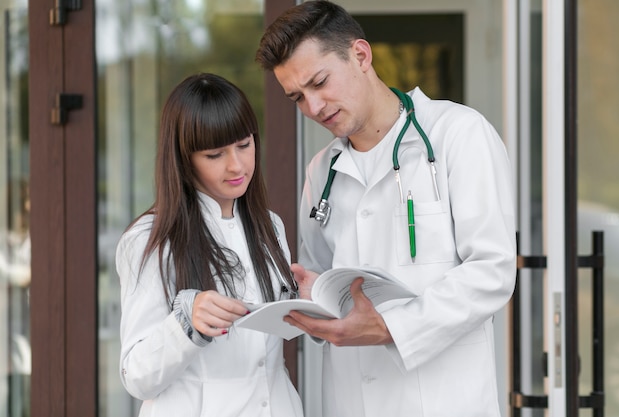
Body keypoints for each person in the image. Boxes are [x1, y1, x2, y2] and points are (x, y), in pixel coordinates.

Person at [256, 2, 517, 416]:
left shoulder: (458, 135)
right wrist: (307, 297)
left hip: (444, 400)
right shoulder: (322, 170)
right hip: (350, 401)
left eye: (320, 82)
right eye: (297, 97)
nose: (314, 107)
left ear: (360, 55)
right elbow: (323, 281)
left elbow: (492, 270)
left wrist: (391, 328)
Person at [115, 73, 303, 417]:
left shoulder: (269, 226)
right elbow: (136, 376)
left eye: (245, 145)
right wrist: (187, 323)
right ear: (183, 159)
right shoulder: (151, 239)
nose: (237, 165)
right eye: (215, 154)